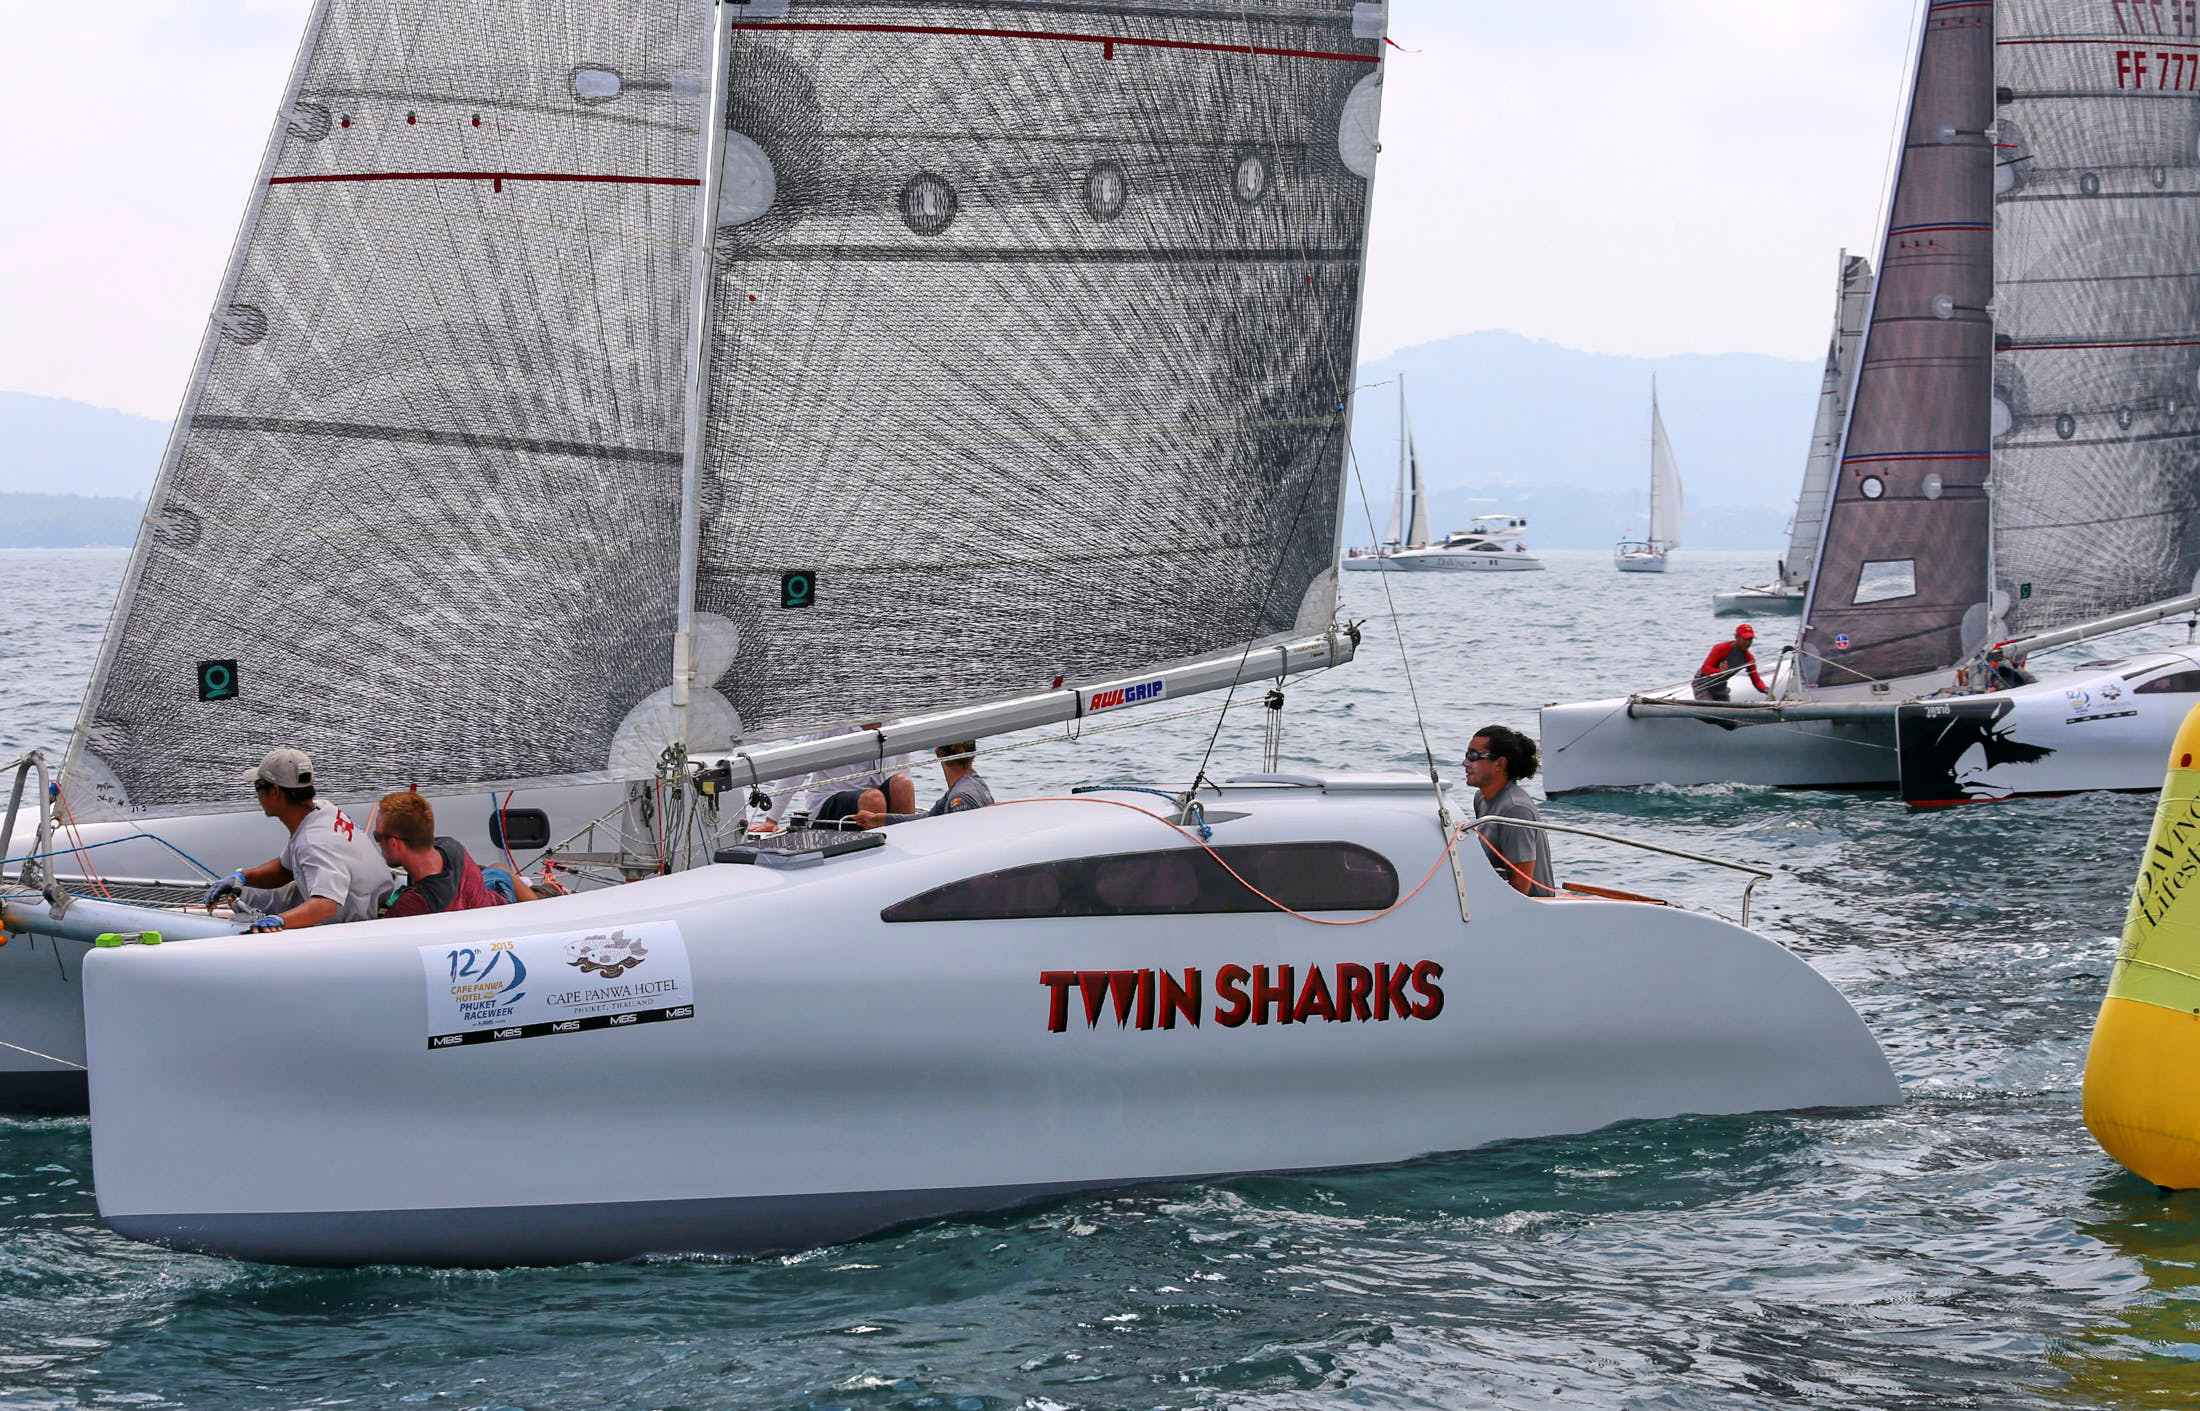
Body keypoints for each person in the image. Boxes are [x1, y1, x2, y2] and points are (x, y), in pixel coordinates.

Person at [201, 747, 395, 931]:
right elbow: (285, 869)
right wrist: (243, 877)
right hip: (373, 900)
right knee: (256, 894)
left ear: (275, 792)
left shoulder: (314, 841)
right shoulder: (323, 810)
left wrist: (279, 921)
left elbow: (326, 904)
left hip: (361, 925)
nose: (257, 795)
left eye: (258, 787)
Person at [371, 791, 516, 917]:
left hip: (497, 915)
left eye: (377, 836)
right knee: (499, 869)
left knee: (498, 871)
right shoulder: (450, 846)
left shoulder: (414, 903)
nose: (378, 842)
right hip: (494, 901)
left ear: (394, 843)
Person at [1464, 725, 1557, 898]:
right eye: (1466, 755)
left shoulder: (1515, 809)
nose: (1465, 763)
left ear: (1500, 763)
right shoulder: (1481, 799)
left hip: (1529, 911)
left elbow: (1521, 887)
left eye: (1473, 756)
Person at [1693, 623, 1769, 701]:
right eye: (1745, 639)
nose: (1748, 643)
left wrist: (1766, 689)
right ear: (1736, 637)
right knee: (1709, 708)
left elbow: (1756, 680)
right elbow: (1705, 669)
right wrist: (1720, 672)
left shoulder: (1749, 658)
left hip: (1720, 686)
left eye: (1750, 640)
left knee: (1725, 711)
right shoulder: (1721, 648)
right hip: (1703, 684)